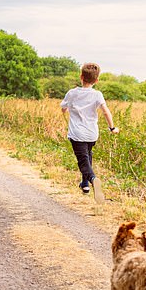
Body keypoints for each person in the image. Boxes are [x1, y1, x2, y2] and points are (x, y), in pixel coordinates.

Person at [61, 63, 119, 203]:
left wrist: (66, 110)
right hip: (92, 134)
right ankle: (85, 184)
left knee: (83, 161)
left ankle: (93, 180)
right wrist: (112, 128)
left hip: (77, 134)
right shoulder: (97, 94)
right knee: (87, 156)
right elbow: (105, 111)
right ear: (96, 80)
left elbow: (63, 107)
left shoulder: (72, 93)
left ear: (81, 77)